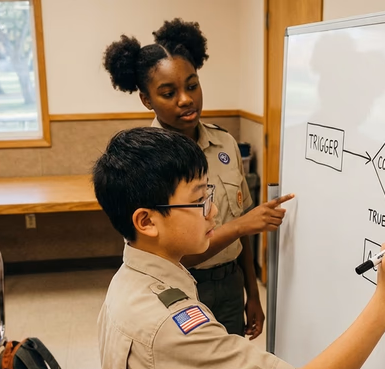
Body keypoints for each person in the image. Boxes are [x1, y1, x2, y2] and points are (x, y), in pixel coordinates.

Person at [93, 127, 385, 369]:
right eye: (199, 201)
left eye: (209, 193)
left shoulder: (128, 281)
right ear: (147, 222)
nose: (214, 211)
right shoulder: (171, 327)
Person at [103, 18, 293, 339]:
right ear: (147, 100)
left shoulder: (226, 144)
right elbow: (171, 254)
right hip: (179, 293)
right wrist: (243, 225)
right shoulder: (143, 162)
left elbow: (240, 227)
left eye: (192, 85)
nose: (185, 99)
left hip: (230, 284)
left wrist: (252, 294)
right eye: (168, 92)